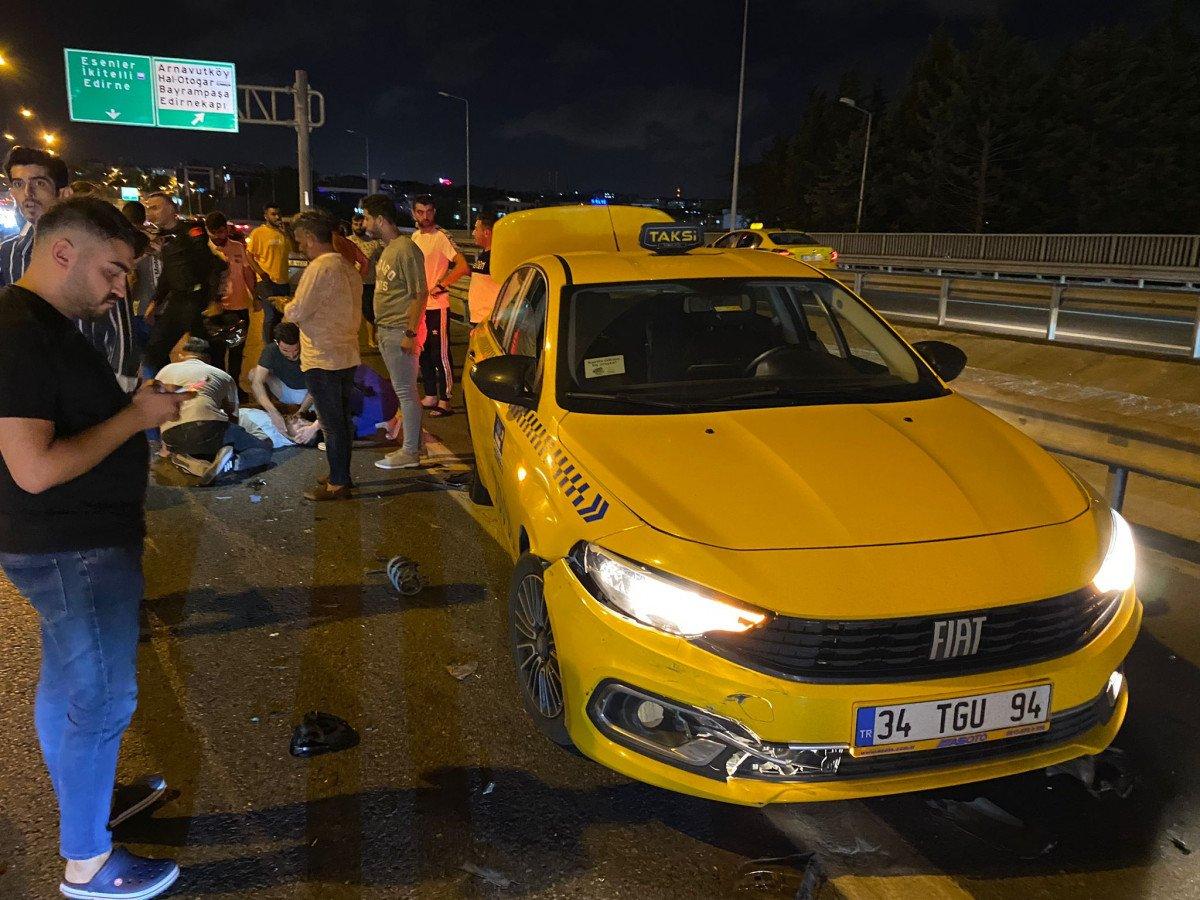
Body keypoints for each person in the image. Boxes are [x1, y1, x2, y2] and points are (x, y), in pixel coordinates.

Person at [0, 197, 185, 899]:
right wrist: (135, 417)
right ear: (62, 252)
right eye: (113, 271)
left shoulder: (46, 326)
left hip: (69, 544)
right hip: (70, 548)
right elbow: (35, 467)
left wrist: (127, 406)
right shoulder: (20, 332)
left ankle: (89, 808)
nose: (118, 290)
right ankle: (86, 863)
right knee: (101, 698)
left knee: (67, 685)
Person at [2, 147, 139, 391]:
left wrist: (121, 388)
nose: (28, 194)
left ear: (63, 193)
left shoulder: (96, 251)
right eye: (18, 184)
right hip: (30, 386)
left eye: (39, 184)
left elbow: (121, 328)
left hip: (88, 383)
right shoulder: (8, 253)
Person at [284, 212, 363, 500]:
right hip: (346, 354)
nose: (300, 246)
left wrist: (286, 305)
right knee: (340, 419)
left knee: (332, 424)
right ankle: (339, 473)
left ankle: (338, 483)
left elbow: (298, 311)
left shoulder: (319, 268)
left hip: (323, 356)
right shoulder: (346, 267)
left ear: (308, 236)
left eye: (300, 240)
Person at [361, 194, 428, 469]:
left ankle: (410, 452)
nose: (364, 223)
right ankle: (416, 446)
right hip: (389, 329)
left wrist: (409, 333)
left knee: (406, 392)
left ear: (379, 219)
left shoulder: (405, 249)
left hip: (401, 330)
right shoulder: (388, 248)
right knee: (405, 391)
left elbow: (420, 293)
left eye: (366, 217)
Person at [157, 337, 272, 485]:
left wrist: (165, 445)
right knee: (262, 450)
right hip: (211, 429)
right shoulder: (223, 375)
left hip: (173, 434)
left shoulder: (165, 371)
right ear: (208, 358)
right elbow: (233, 416)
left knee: (185, 453)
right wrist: (233, 438)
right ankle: (234, 463)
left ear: (181, 356)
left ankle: (193, 463)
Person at [142, 191, 225, 374]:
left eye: (155, 208)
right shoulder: (164, 237)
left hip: (198, 299)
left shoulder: (191, 230)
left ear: (172, 209)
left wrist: (214, 300)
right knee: (155, 350)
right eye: (148, 209)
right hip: (179, 301)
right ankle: (160, 392)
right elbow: (168, 273)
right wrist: (155, 301)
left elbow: (209, 265)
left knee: (211, 353)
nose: (150, 213)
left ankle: (222, 394)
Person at [410, 195, 468, 416]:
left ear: (434, 212)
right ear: (414, 213)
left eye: (429, 212)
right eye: (420, 212)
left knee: (440, 353)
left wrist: (442, 284)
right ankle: (431, 394)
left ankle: (445, 399)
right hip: (419, 305)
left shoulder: (442, 236)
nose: (425, 216)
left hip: (437, 305)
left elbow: (463, 266)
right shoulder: (414, 237)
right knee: (422, 351)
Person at [205, 211, 257, 387]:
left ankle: (234, 386)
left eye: (221, 232)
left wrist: (255, 296)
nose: (219, 237)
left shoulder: (237, 247)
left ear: (226, 229)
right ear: (208, 230)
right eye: (214, 233)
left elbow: (247, 272)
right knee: (216, 353)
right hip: (216, 311)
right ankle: (220, 387)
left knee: (237, 350)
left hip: (239, 307)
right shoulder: (204, 249)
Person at [249, 322, 320, 446]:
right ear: (277, 343)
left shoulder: (310, 349)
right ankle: (270, 409)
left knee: (322, 388)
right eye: (285, 350)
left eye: (296, 349)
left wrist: (301, 411)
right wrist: (272, 411)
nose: (292, 355)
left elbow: (317, 387)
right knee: (253, 374)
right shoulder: (271, 350)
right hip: (287, 391)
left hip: (311, 395)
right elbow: (257, 382)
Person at [246, 204, 293, 341]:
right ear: (266, 216)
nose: (277, 217)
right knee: (270, 315)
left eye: (278, 214)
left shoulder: (282, 234)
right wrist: (260, 272)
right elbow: (249, 255)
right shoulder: (258, 233)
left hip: (283, 280)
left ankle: (276, 342)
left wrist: (287, 232)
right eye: (273, 214)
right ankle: (268, 344)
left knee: (280, 315)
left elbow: (294, 249)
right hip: (267, 281)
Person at [348, 212, 383, 348]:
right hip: (351, 284)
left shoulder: (374, 243)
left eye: (360, 224)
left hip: (369, 283)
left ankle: (371, 338)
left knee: (370, 312)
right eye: (355, 224)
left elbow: (381, 260)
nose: (358, 227)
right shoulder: (347, 242)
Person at [466, 211, 500, 328]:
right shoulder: (484, 254)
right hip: (478, 319)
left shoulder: (496, 257)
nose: (473, 232)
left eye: (476, 229)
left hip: (487, 321)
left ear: (486, 232)